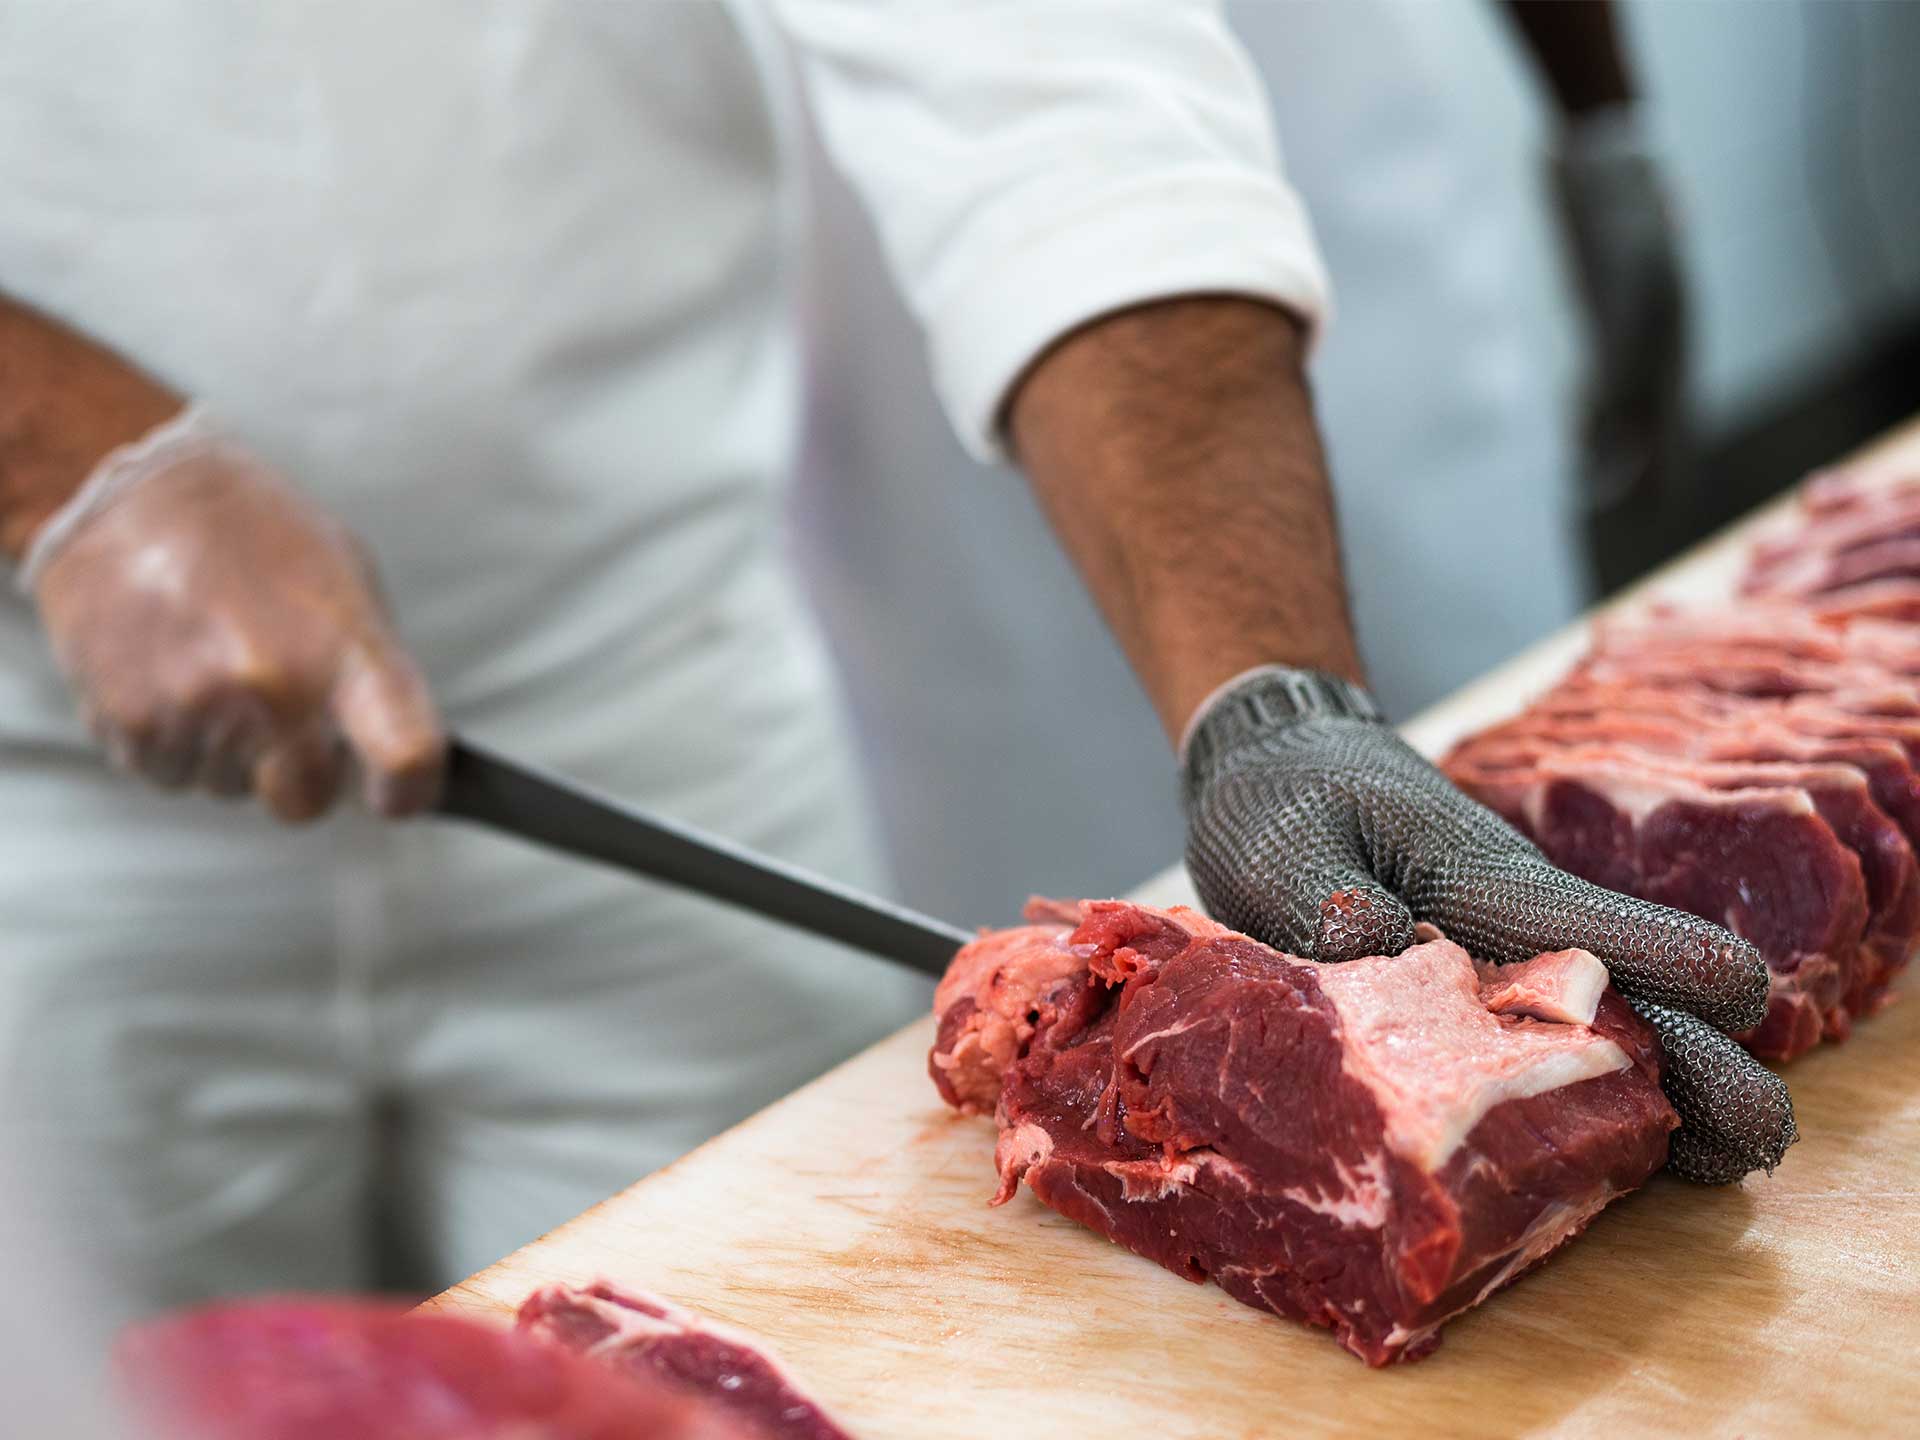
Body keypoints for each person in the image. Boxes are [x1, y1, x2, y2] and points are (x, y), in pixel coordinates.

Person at [0, 0, 1788, 1319]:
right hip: (58, 815)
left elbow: (1049, 91)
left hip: (649, 686)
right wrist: (70, 469)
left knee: (782, 1346)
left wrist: (1271, 701)